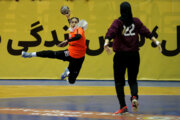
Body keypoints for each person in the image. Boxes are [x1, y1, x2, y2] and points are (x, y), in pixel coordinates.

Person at [104, 2, 162, 114]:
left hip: (120, 56)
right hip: (134, 55)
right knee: (132, 79)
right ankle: (134, 97)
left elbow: (110, 32)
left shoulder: (118, 22)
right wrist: (157, 42)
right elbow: (147, 33)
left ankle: (123, 107)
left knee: (119, 82)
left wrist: (106, 43)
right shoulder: (136, 21)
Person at [22, 11, 88, 84]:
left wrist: (67, 40)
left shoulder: (79, 29)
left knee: (71, 81)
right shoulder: (72, 29)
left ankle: (68, 72)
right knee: (52, 54)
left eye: (76, 22)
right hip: (70, 53)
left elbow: (78, 37)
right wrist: (68, 17)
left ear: (78, 24)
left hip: (79, 58)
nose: (73, 23)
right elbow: (71, 24)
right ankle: (31, 54)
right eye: (72, 22)